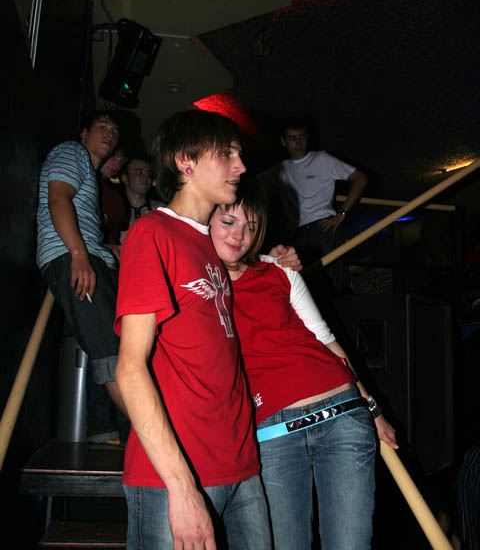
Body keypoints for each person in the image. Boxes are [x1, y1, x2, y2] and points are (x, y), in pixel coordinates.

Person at [209, 178, 398, 550]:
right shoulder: (194, 280)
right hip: (274, 433)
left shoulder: (278, 269)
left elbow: (326, 340)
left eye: (251, 227)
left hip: (343, 414)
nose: (240, 236)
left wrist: (373, 409)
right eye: (229, 222)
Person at [114, 110, 271, 550]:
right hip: (178, 475)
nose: (240, 166)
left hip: (242, 466)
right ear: (185, 161)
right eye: (227, 154)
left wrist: (279, 257)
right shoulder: (153, 232)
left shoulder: (210, 246)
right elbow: (129, 368)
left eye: (239, 154)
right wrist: (182, 487)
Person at [37, 110, 127, 443]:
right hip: (71, 257)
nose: (110, 133)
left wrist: (104, 250)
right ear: (83, 133)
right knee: (113, 352)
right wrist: (78, 254)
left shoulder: (87, 171)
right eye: (103, 127)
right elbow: (58, 198)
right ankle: (149, 436)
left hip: (87, 256)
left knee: (112, 348)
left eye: (114, 131)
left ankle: (107, 434)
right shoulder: (71, 151)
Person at [259, 117, 368, 292]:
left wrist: (342, 213)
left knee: (332, 285)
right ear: (284, 141)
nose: (298, 142)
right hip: (297, 235)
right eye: (292, 138)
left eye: (302, 137)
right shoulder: (281, 169)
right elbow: (254, 184)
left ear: (307, 138)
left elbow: (360, 179)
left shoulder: (321, 159)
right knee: (305, 288)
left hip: (323, 228)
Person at [119, 156, 163, 240]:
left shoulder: (160, 210)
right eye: (139, 172)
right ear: (125, 178)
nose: (145, 177)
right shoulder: (115, 210)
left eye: (148, 174)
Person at [99, 147, 129, 250]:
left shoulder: (115, 197)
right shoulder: (82, 183)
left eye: (121, 162)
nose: (117, 165)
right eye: (113, 157)